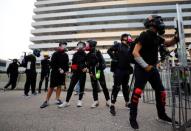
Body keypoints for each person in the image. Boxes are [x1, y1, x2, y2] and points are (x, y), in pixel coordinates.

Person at [129, 15, 179, 129]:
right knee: (137, 93)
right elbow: (135, 52)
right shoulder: (145, 34)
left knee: (161, 92)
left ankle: (162, 115)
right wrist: (145, 66)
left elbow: (168, 43)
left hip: (152, 69)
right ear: (151, 23)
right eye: (159, 20)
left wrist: (176, 37)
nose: (161, 22)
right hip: (142, 69)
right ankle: (132, 118)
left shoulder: (157, 36)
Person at [107, 34, 133, 116]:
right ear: (123, 38)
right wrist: (114, 58)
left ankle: (127, 102)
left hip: (126, 70)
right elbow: (109, 50)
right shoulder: (118, 45)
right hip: (118, 70)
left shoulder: (129, 47)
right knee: (116, 87)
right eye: (126, 36)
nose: (128, 38)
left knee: (126, 87)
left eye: (128, 37)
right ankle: (112, 105)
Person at [58, 41, 88, 108]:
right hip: (75, 73)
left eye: (82, 45)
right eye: (79, 45)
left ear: (84, 47)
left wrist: (86, 68)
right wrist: (71, 72)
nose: (80, 46)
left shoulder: (86, 55)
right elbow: (73, 64)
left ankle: (80, 101)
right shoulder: (75, 54)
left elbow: (88, 63)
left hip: (82, 73)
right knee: (71, 87)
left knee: (82, 87)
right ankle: (66, 102)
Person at [40, 42, 69, 108]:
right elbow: (52, 64)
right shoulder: (55, 54)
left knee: (59, 86)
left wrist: (65, 70)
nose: (64, 47)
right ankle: (46, 101)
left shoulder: (65, 55)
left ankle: (57, 99)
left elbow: (66, 64)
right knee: (52, 86)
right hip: (55, 73)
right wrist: (59, 69)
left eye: (65, 46)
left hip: (62, 74)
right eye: (63, 45)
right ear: (59, 46)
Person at [86, 40, 110, 108]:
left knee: (104, 86)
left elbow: (103, 63)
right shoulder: (88, 55)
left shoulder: (98, 52)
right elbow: (87, 65)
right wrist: (89, 72)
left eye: (88, 44)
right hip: (92, 73)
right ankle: (96, 101)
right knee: (94, 87)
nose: (86, 46)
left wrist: (100, 68)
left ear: (91, 45)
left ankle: (108, 100)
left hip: (99, 72)